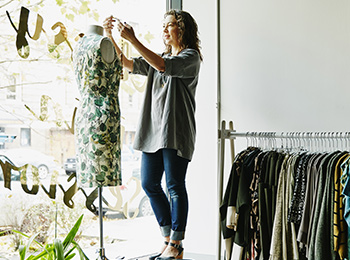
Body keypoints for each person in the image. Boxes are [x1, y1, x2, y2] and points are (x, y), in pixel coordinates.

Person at [103, 9, 202, 260]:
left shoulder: (191, 57)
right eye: (164, 26)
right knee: (149, 183)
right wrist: (109, 35)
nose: (165, 30)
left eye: (170, 25)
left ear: (183, 29)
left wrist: (134, 39)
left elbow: (162, 66)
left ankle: (177, 244)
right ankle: (168, 238)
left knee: (174, 186)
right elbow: (125, 63)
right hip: (152, 131)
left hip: (175, 131)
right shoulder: (159, 57)